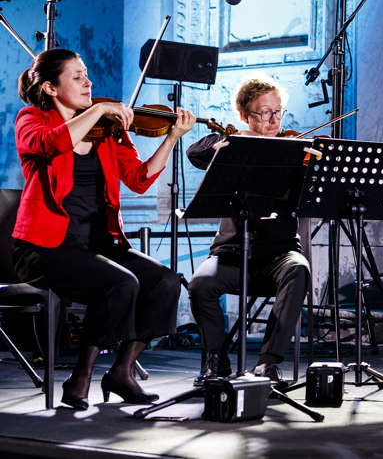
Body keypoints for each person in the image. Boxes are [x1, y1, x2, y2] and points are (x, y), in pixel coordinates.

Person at [12, 48, 190, 409]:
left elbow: (139, 179)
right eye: (77, 76)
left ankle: (121, 372)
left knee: (165, 281)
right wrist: (96, 110)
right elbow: (51, 143)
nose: (88, 81)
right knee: (120, 282)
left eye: (87, 73)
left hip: (96, 243)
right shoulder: (32, 120)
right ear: (49, 88)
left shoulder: (107, 132)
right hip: (44, 248)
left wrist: (171, 139)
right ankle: (81, 377)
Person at [186, 76, 310, 387]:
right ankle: (216, 360)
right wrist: (235, 141)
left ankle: (267, 363)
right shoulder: (233, 146)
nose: (274, 120)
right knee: (201, 284)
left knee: (299, 269)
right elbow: (195, 152)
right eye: (264, 113)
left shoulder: (294, 149)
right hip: (232, 254)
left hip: (278, 255)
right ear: (245, 116)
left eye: (278, 111)